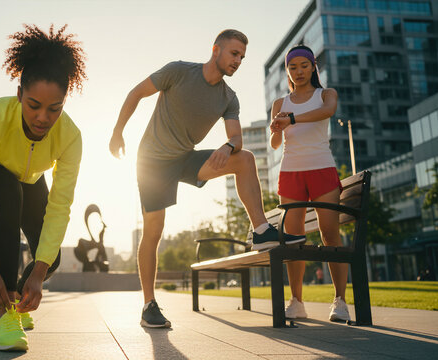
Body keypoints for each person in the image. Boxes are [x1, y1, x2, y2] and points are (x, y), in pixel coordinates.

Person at [109, 29, 305, 328]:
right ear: (216, 50)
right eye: (233, 53)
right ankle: (149, 305)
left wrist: (228, 146)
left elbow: (236, 136)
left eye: (242, 57)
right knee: (154, 230)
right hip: (153, 161)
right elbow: (136, 93)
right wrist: (117, 131)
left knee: (244, 158)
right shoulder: (178, 72)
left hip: (186, 159)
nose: (238, 60)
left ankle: (261, 229)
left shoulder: (228, 98)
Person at [0, 24, 86, 351]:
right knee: (9, 194)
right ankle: (6, 317)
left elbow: (60, 207)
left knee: (51, 257)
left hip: (31, 180)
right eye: (33, 105)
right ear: (19, 95)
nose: (43, 117)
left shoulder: (70, 137)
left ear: (64, 102)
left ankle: (18, 299)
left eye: (54, 108)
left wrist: (38, 274)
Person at [269, 44, 350, 322]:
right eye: (293, 67)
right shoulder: (279, 104)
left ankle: (340, 301)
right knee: (294, 239)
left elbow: (326, 112)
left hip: (321, 168)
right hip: (290, 172)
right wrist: (277, 128)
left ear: (313, 66)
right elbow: (275, 143)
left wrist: (291, 119)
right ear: (287, 72)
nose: (299, 71)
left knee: (330, 233)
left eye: (304, 65)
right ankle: (297, 301)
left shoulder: (325, 94)